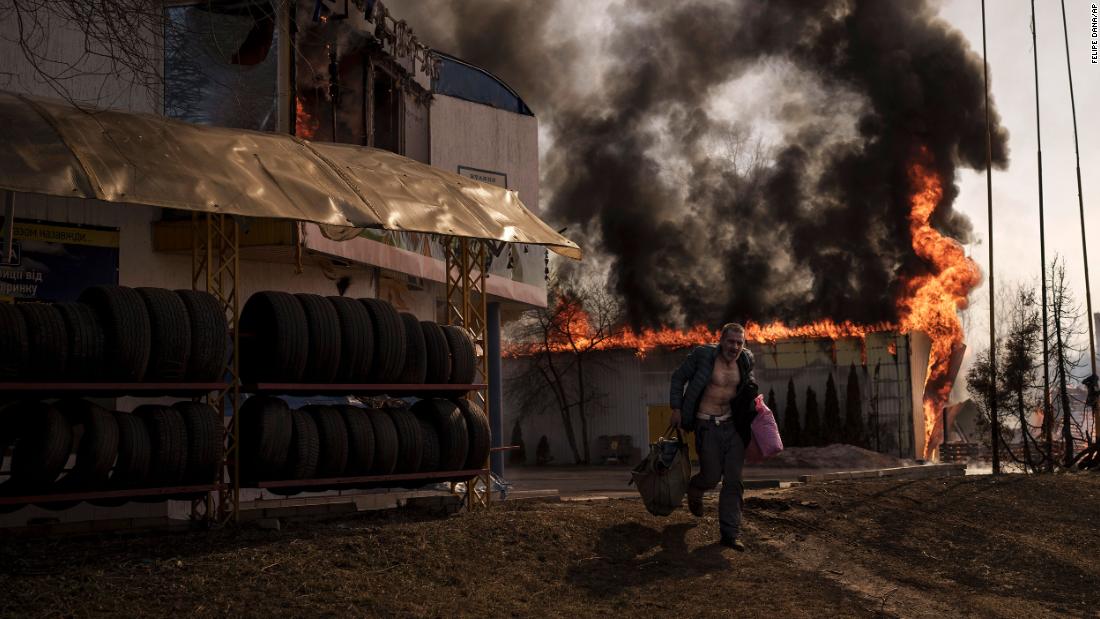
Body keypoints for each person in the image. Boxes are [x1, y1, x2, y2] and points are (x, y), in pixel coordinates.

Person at [669, 322, 758, 551]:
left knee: (733, 480)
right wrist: (676, 409)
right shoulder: (703, 356)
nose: (735, 346)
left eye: (739, 342)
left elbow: (747, 388)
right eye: (730, 341)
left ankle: (730, 534)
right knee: (711, 476)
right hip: (706, 425)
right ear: (721, 340)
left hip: (733, 427)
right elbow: (678, 378)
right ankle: (695, 489)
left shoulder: (746, 360)